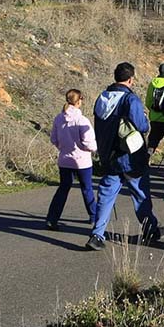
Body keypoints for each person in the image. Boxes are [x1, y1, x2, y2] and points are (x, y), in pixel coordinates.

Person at [89, 62, 164, 251]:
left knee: (106, 196)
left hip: (109, 156)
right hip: (131, 157)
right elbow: (141, 125)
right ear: (131, 79)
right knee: (140, 194)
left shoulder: (102, 98)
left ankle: (97, 234)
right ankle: (150, 230)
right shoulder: (130, 100)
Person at [46, 89, 97, 230]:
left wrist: (63, 148)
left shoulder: (59, 118)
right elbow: (89, 143)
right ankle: (94, 217)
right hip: (82, 162)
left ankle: (52, 218)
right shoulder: (82, 120)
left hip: (64, 160)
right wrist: (92, 149)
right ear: (79, 101)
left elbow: (54, 139)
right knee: (87, 189)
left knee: (63, 189)